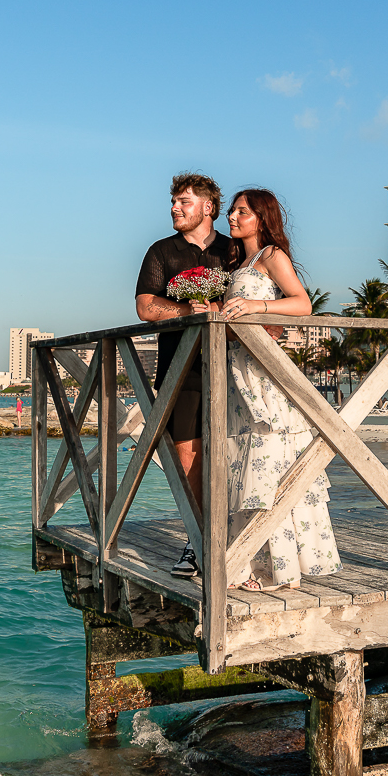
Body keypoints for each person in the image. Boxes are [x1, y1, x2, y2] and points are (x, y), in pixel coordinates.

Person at [216, 188, 343, 592]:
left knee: (269, 457)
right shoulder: (238, 262)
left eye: (241, 212)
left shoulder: (271, 256)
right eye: (232, 211)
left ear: (261, 217)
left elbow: (302, 303)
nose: (232, 218)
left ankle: (278, 566)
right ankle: (248, 561)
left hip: (264, 371)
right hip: (237, 372)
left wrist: (258, 308)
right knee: (243, 463)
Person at [136, 173, 231, 577]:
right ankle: (198, 540)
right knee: (187, 456)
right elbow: (144, 307)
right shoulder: (161, 251)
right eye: (173, 202)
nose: (175, 208)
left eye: (184, 202)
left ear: (208, 207)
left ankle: (238, 538)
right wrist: (185, 311)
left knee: (235, 454)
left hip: (234, 368)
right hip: (181, 370)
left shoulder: (235, 250)